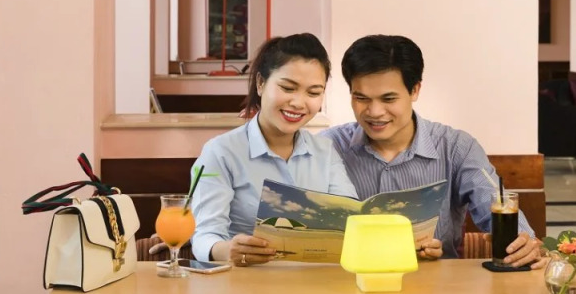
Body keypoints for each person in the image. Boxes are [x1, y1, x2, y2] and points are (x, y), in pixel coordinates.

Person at [322, 34, 547, 269]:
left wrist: (523, 244)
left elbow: (494, 204)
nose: (375, 111)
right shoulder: (328, 147)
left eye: (388, 99)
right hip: (349, 280)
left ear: (415, 90)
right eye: (361, 98)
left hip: (437, 282)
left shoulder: (457, 147)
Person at [185, 33, 358, 266]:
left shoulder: (325, 151)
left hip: (318, 280)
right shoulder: (221, 152)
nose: (298, 103)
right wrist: (227, 251)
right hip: (247, 280)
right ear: (260, 83)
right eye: (288, 88)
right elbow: (204, 235)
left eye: (313, 93)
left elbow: (350, 220)